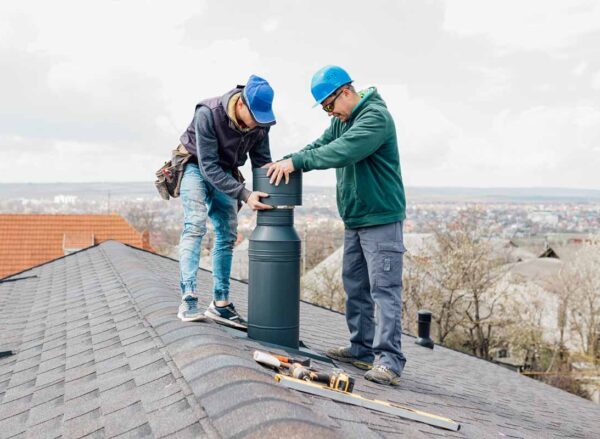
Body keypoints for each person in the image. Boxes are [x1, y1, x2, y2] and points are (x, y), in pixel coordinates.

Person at [268, 66, 406, 386]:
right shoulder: (340, 121)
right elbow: (319, 146)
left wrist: (297, 163)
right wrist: (285, 161)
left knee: (384, 291)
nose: (329, 113)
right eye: (325, 109)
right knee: (355, 286)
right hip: (356, 219)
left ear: (345, 92)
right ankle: (361, 349)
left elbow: (340, 152)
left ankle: (390, 360)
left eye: (330, 105)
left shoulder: (375, 118)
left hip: (381, 219)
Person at [177, 75, 274, 327]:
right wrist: (244, 194)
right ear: (241, 105)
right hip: (196, 165)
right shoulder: (208, 113)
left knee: (227, 233)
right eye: (255, 117)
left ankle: (220, 303)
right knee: (195, 225)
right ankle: (188, 299)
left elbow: (262, 163)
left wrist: (273, 186)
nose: (257, 125)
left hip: (227, 170)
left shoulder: (261, 124)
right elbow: (208, 166)